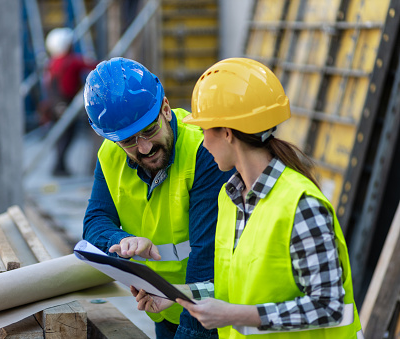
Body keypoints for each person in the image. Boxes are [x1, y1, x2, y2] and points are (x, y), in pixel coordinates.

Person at [133, 58, 363, 338]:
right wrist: (176, 295)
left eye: (205, 131)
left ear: (227, 133)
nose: (203, 142)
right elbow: (234, 288)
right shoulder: (230, 198)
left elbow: (331, 307)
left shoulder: (301, 204)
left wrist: (237, 315)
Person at [83, 57, 233, 338]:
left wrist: (190, 331)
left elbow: (205, 258)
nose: (145, 147)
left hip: (210, 313)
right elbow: (95, 222)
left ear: (165, 108)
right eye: (129, 141)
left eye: (150, 131)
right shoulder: (110, 153)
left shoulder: (204, 151)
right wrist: (121, 241)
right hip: (161, 302)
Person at [41, 27, 97, 176]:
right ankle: (59, 166)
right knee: (67, 135)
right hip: (64, 103)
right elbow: (93, 66)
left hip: (54, 103)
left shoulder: (52, 62)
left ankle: (60, 166)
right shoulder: (71, 61)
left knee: (61, 135)